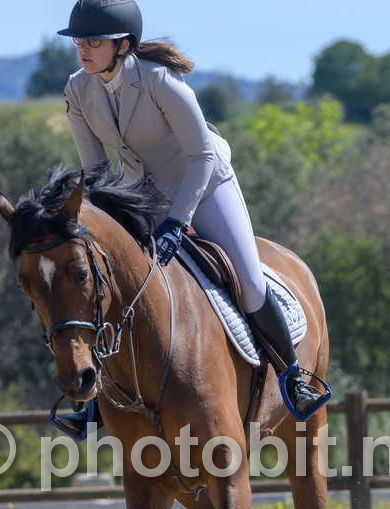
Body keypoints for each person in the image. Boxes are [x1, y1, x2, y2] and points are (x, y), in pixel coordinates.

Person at [58, 0, 326, 419]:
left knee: (249, 283)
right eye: (79, 41)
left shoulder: (161, 81)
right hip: (139, 192)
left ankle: (293, 377)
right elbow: (95, 171)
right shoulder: (78, 89)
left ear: (123, 45)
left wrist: (176, 221)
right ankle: (97, 396)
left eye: (93, 41)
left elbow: (202, 155)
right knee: (110, 283)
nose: (82, 49)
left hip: (203, 184)